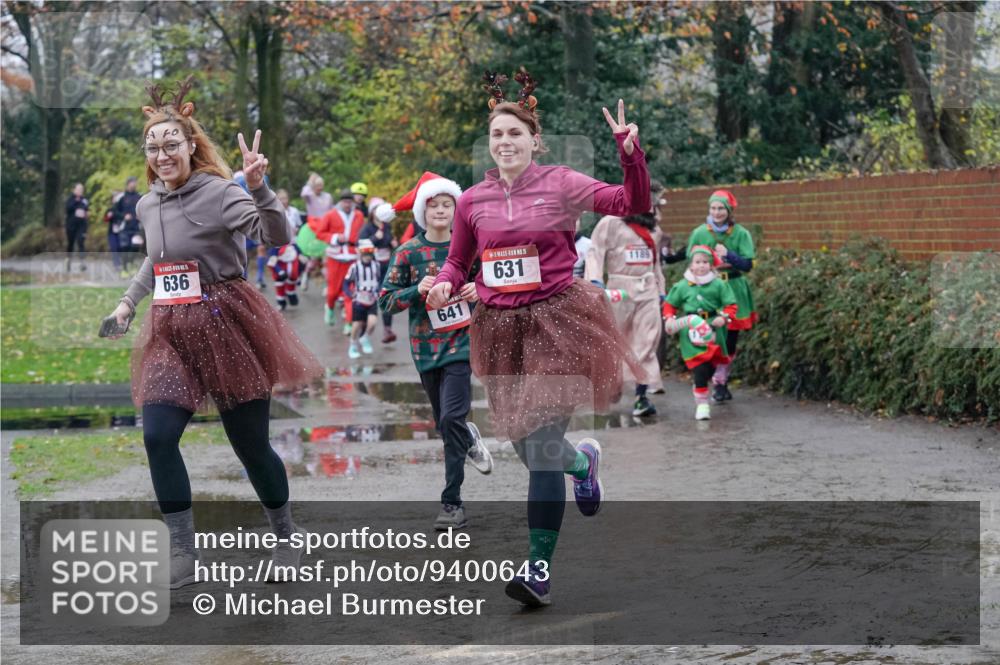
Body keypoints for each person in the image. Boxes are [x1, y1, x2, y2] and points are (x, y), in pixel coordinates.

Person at [427, 70, 649, 607]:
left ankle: (537, 570)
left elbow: (629, 203)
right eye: (497, 134)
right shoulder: (472, 200)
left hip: (557, 321)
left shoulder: (561, 183)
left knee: (542, 450)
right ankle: (583, 465)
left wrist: (629, 152)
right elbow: (459, 259)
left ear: (533, 140)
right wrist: (442, 284)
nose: (505, 142)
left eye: (514, 134)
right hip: (500, 330)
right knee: (530, 448)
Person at [102, 78, 322, 589]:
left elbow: (276, 236)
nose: (161, 155)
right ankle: (182, 550)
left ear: (191, 145)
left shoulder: (220, 191)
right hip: (171, 329)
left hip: (227, 324)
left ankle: (286, 536)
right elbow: (155, 264)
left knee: (251, 446)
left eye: (171, 145)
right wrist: (127, 305)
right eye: (153, 148)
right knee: (157, 437)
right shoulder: (145, 205)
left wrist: (259, 185)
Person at [377, 172, 494, 530]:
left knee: (449, 418)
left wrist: (478, 287)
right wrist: (416, 290)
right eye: (434, 205)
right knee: (447, 425)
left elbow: (491, 280)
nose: (441, 211)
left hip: (462, 344)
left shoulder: (468, 247)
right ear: (421, 212)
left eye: (448, 205)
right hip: (426, 349)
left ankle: (451, 503)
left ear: (457, 211)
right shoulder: (409, 252)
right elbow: (385, 301)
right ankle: (466, 436)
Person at [585, 181, 668, 416]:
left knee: (648, 340)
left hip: (648, 290)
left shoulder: (654, 230)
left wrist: (661, 290)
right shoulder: (610, 223)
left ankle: (641, 396)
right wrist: (595, 281)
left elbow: (656, 265)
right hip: (618, 291)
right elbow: (595, 252)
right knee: (615, 341)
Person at [685, 190, 756, 402]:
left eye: (721, 208)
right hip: (709, 289)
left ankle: (721, 381)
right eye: (713, 208)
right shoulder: (699, 232)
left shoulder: (741, 233)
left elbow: (747, 265)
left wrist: (729, 255)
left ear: (729, 210)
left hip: (734, 288)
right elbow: (691, 260)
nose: (717, 212)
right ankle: (704, 377)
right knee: (708, 336)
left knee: (730, 339)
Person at [661, 245, 738, 420]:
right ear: (691, 265)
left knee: (710, 366)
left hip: (713, 328)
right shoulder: (682, 286)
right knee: (699, 367)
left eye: (705, 262)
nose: (701, 265)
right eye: (697, 262)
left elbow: (731, 305)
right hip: (691, 332)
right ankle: (702, 403)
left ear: (711, 265)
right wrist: (670, 318)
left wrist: (724, 317)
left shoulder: (718, 284)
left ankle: (702, 387)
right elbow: (669, 304)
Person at [310, 189, 365, 333]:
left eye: (350, 202)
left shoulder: (358, 215)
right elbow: (320, 233)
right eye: (345, 202)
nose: (347, 204)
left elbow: (362, 234)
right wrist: (335, 237)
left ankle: (348, 323)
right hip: (335, 257)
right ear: (340, 202)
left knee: (350, 292)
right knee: (333, 292)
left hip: (353, 258)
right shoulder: (330, 215)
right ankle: (329, 307)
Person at [360, 196, 399, 342]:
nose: (379, 211)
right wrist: (374, 239)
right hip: (371, 268)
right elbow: (360, 245)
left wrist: (395, 244)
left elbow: (391, 242)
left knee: (386, 296)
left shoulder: (386, 226)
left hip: (386, 266)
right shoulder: (367, 228)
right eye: (376, 209)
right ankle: (363, 331)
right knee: (370, 298)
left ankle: (387, 330)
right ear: (371, 212)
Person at [343, 239, 381, 359]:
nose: (367, 257)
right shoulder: (354, 267)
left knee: (373, 322)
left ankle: (365, 338)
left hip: (372, 299)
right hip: (359, 300)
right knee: (357, 324)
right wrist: (349, 293)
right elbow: (346, 282)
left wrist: (379, 290)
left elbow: (380, 280)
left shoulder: (377, 265)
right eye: (365, 254)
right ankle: (353, 344)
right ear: (360, 254)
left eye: (369, 254)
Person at [113, 177, 143, 275]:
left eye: (135, 182)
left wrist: (141, 216)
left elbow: (144, 210)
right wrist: (123, 216)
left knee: (135, 246)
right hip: (124, 227)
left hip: (136, 227)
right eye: (132, 183)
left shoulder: (139, 196)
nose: (134, 184)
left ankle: (131, 263)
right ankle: (124, 269)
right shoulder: (121, 197)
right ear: (128, 184)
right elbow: (115, 212)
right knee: (125, 247)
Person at [65, 183, 89, 271]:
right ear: (74, 190)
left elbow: (87, 212)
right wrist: (76, 201)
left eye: (81, 189)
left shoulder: (84, 200)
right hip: (71, 225)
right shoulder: (70, 199)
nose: (80, 191)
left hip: (81, 226)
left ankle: (82, 263)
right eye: (78, 189)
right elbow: (68, 209)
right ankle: (68, 259)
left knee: (81, 242)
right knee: (71, 244)